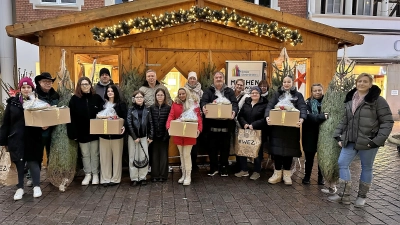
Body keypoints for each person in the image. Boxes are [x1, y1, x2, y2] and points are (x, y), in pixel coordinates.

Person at [329, 73, 393, 207]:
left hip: (368, 141)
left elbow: (387, 122)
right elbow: (345, 120)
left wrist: (376, 140)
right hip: (350, 140)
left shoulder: (377, 100)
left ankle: (362, 196)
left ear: (370, 84)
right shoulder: (350, 99)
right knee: (342, 163)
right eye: (359, 81)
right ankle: (344, 195)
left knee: (367, 167)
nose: (361, 84)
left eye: (365, 82)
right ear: (356, 83)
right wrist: (338, 135)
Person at [0, 77, 43, 200]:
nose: (26, 89)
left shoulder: (38, 102)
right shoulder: (12, 103)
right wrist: (2, 141)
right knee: (19, 162)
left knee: (33, 161)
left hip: (33, 137)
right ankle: (20, 188)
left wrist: (45, 126)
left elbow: (45, 118)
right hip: (16, 138)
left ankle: (36, 186)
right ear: (20, 89)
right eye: (23, 87)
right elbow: (6, 123)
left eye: (28, 87)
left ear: (32, 88)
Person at [265, 76, 307, 185]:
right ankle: (277, 173)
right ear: (282, 83)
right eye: (284, 82)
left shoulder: (298, 95)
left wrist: (302, 118)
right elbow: (269, 107)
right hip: (277, 128)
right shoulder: (277, 94)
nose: (286, 84)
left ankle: (287, 174)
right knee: (277, 152)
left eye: (289, 82)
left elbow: (302, 107)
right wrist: (267, 117)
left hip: (291, 129)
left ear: (292, 83)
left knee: (289, 152)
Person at [200, 71, 238, 177]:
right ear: (213, 79)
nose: (218, 79)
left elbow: (234, 104)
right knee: (212, 148)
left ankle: (224, 167)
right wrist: (204, 108)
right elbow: (203, 101)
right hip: (212, 125)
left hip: (226, 125)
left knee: (225, 148)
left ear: (223, 79)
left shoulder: (229, 91)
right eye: (216, 77)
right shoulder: (208, 91)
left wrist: (233, 112)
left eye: (220, 77)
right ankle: (213, 168)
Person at [67, 77, 104, 186]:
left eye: (87, 84)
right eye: (82, 84)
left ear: (90, 85)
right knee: (85, 154)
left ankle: (95, 174)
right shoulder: (74, 99)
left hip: (95, 131)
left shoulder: (96, 98)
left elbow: (103, 112)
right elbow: (71, 117)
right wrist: (73, 133)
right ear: (79, 86)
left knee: (95, 153)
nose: (85, 86)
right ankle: (88, 174)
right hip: (81, 132)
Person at [166, 87, 202, 185]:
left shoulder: (193, 104)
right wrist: (169, 126)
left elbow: (198, 117)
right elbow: (171, 115)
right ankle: (183, 174)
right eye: (180, 94)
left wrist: (199, 129)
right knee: (181, 155)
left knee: (186, 154)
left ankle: (188, 176)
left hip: (189, 133)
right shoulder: (175, 104)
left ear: (187, 93)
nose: (181, 95)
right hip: (179, 132)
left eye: (183, 93)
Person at [235, 86, 268, 180]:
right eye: (252, 93)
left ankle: (257, 171)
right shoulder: (247, 103)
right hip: (246, 131)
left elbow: (265, 118)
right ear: (250, 94)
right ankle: (244, 170)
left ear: (259, 94)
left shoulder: (264, 104)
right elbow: (240, 116)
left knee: (257, 152)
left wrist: (254, 125)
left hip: (258, 131)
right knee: (243, 150)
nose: (254, 94)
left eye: (256, 93)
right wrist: (244, 124)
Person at [99, 85, 127, 187]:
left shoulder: (121, 104)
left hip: (117, 136)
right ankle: (105, 178)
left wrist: (124, 126)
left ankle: (115, 178)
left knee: (117, 157)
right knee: (104, 157)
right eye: (108, 91)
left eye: (112, 91)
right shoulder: (102, 104)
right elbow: (97, 118)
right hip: (104, 135)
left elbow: (125, 117)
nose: (110, 93)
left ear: (115, 92)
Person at [302, 84, 328, 185]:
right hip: (309, 134)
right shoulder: (307, 103)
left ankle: (320, 178)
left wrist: (320, 117)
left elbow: (330, 114)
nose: (317, 92)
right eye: (315, 91)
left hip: (323, 134)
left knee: (322, 157)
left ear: (322, 90)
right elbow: (309, 117)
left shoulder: (328, 102)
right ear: (311, 92)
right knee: (309, 157)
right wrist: (322, 116)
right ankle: (307, 176)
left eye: (319, 90)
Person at [127, 90, 154, 186]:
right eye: (137, 97)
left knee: (143, 157)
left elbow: (151, 123)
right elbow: (129, 123)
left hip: (144, 137)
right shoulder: (130, 109)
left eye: (141, 97)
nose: (139, 99)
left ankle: (143, 177)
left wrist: (151, 136)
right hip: (133, 138)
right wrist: (134, 137)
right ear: (134, 99)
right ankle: (134, 178)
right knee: (133, 157)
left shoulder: (147, 109)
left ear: (143, 99)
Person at [34, 72, 60, 169]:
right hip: (37, 131)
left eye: (50, 81)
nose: (48, 83)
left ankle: (50, 174)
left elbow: (58, 112)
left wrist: (50, 123)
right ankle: (32, 177)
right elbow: (30, 113)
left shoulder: (55, 95)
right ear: (39, 82)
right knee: (36, 154)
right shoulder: (34, 95)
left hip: (52, 130)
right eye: (45, 81)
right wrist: (40, 124)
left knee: (52, 154)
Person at [149, 88, 171, 182]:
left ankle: (163, 175)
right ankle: (154, 175)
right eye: (158, 95)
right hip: (154, 136)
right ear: (155, 96)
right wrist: (151, 135)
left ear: (164, 96)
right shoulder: (151, 108)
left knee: (163, 156)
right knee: (154, 155)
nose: (160, 97)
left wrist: (167, 135)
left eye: (161, 95)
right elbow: (150, 122)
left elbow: (169, 122)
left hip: (164, 135)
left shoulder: (168, 108)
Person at [184, 71, 203, 170]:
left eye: (194, 78)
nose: (192, 80)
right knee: (186, 143)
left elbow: (203, 104)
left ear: (196, 80)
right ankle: (186, 164)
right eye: (190, 78)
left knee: (195, 143)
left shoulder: (200, 91)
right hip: (185, 120)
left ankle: (194, 163)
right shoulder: (184, 89)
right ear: (188, 79)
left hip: (196, 119)